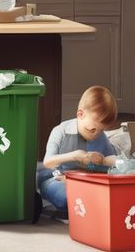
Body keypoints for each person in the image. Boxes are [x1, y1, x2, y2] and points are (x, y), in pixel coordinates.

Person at [36, 85, 119, 222]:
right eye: (92, 129)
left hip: (86, 181)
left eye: (100, 130)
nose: (95, 135)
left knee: (111, 193)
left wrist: (105, 161)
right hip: (56, 178)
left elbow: (112, 165)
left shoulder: (101, 137)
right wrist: (76, 155)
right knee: (68, 196)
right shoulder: (61, 131)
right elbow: (48, 162)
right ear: (80, 115)